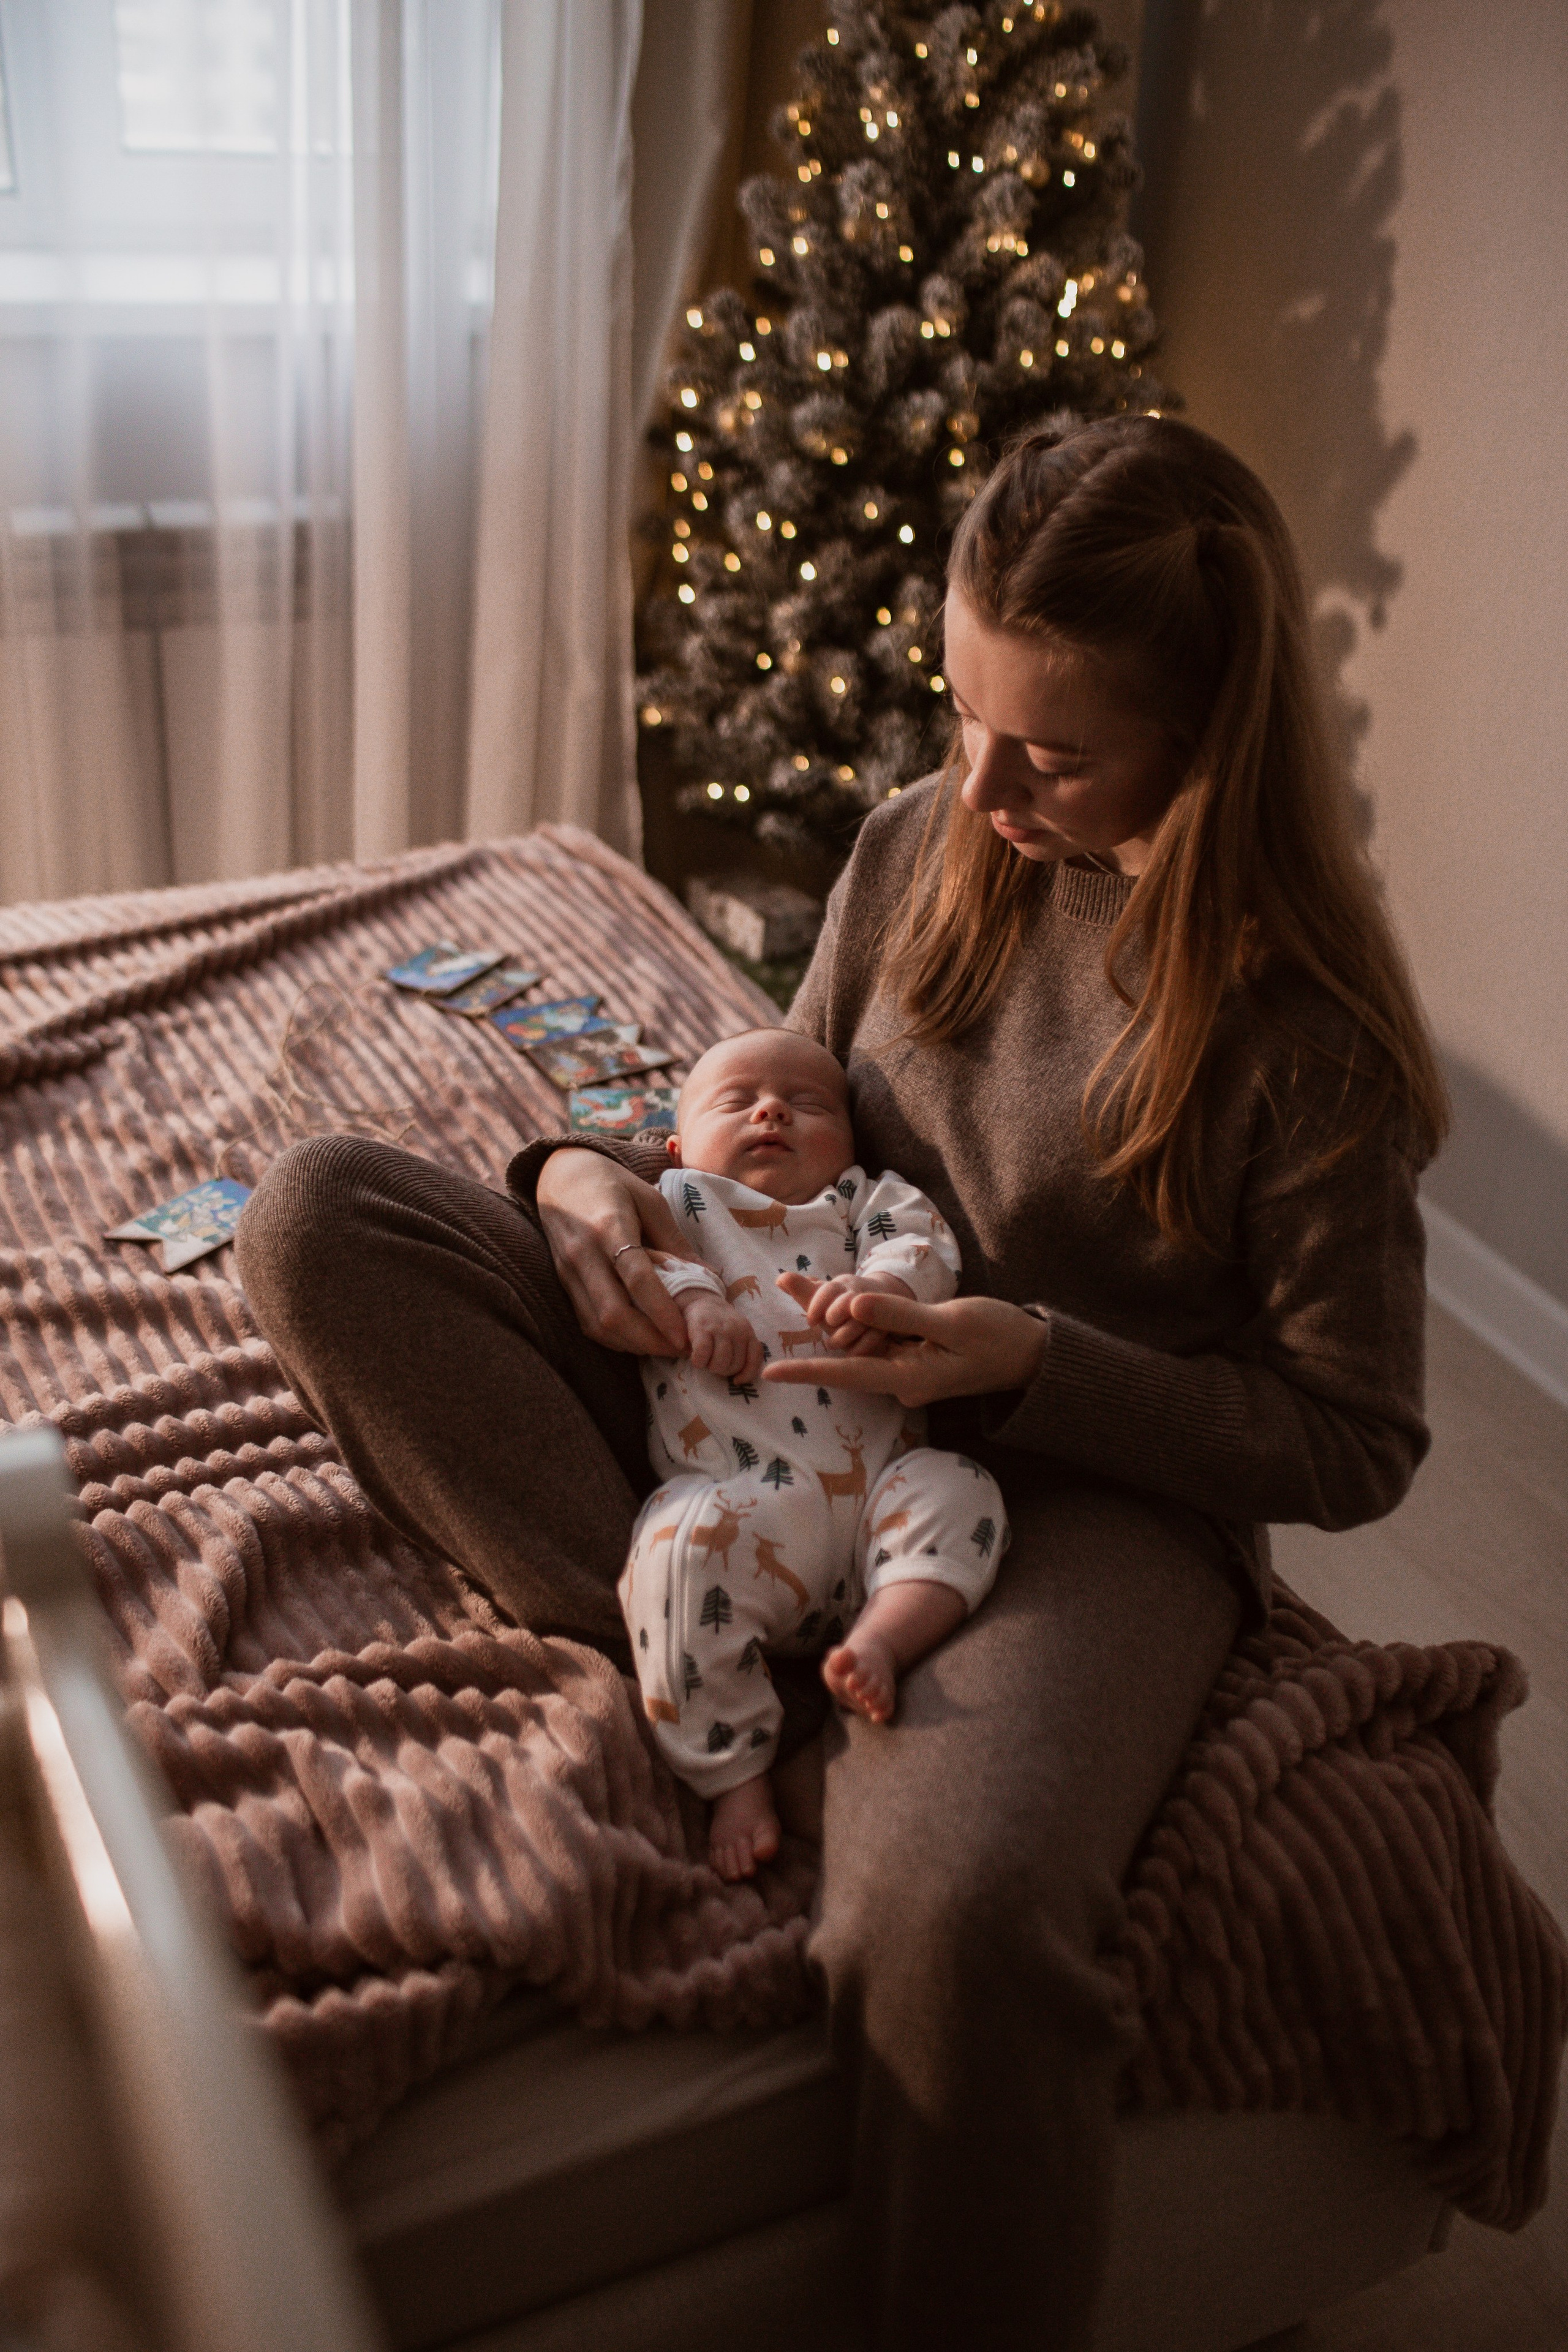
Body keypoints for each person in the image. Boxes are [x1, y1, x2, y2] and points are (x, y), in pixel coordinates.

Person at [235, 415, 1447, 2351]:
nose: (979, 782)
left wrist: (1035, 1365)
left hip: (1058, 1501)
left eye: (1047, 751)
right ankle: (666, 1613)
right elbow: (770, 1099)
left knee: (952, 1929)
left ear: (1209, 742)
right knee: (315, 1219)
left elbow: (1355, 1436)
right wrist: (590, 1188)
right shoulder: (917, 846)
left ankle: (804, 1658)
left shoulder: (1303, 1045)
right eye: (958, 706)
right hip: (756, 1360)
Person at [621, 1027, 1008, 1881]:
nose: (771, 1110)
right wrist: (696, 1303)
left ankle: (884, 1636)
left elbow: (922, 1242)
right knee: (675, 1553)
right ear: (678, 1144)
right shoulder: (680, 1199)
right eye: (739, 1101)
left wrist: (885, 1287)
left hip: (882, 1493)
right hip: (752, 1505)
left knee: (963, 1491)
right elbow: (646, 1260)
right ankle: (736, 1771)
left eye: (808, 1106)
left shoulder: (863, 1199)